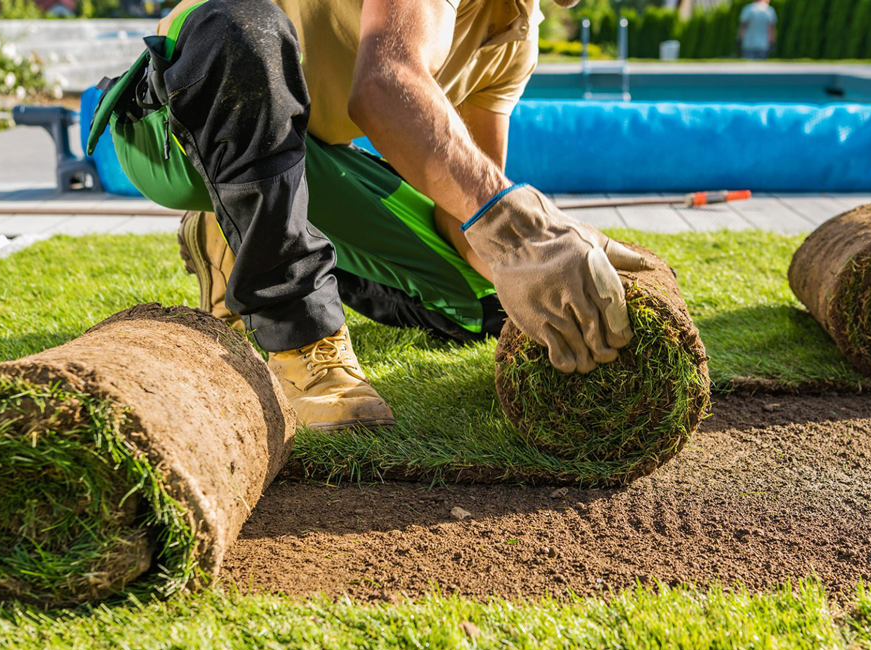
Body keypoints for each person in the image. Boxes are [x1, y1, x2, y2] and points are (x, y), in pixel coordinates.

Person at [88, 0, 646, 433]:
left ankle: (228, 236)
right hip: (182, 113)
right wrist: (523, 227)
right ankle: (302, 337)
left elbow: (468, 212)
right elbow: (383, 88)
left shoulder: (512, 39)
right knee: (241, 25)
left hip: (298, 155)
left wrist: (542, 250)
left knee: (483, 300)